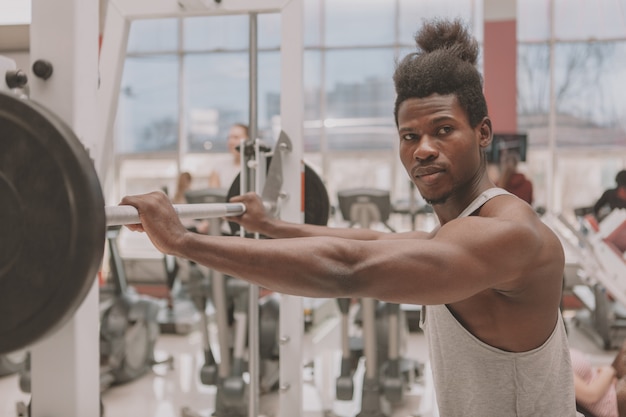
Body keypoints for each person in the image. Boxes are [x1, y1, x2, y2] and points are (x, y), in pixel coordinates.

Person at [120, 18, 575, 416]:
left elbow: (350, 267)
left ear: (483, 133)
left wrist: (183, 242)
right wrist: (270, 227)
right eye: (409, 135)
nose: (423, 148)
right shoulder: (459, 231)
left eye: (443, 130)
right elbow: (370, 241)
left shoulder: (509, 233)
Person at [571, 343, 626, 417]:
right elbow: (591, 395)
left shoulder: (560, 349)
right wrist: (608, 372)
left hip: (612, 385)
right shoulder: (559, 368)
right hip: (611, 402)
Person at [207, 123, 247, 189]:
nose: (231, 141)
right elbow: (213, 194)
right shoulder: (219, 167)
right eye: (229, 138)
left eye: (236, 137)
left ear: (248, 140)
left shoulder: (255, 168)